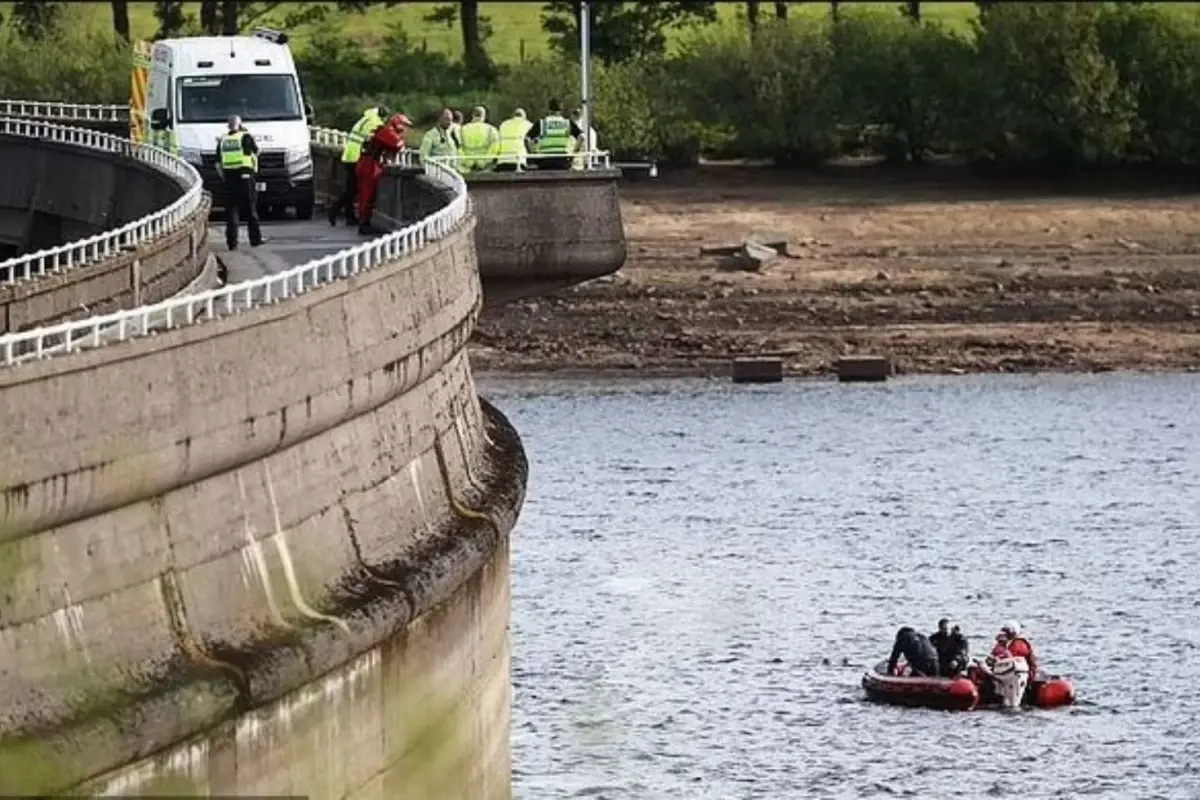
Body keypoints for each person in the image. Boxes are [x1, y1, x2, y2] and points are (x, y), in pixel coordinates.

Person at [330, 105, 388, 227]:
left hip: (348, 154)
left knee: (351, 188)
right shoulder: (376, 123)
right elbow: (377, 140)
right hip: (357, 156)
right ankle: (335, 208)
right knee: (353, 189)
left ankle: (349, 216)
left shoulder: (365, 118)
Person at [356, 113, 410, 235]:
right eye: (404, 125)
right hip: (369, 164)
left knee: (368, 195)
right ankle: (363, 224)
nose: (405, 129)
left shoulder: (384, 130)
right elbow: (396, 145)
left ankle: (365, 222)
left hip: (369, 163)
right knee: (367, 194)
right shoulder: (386, 131)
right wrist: (403, 141)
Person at [215, 114, 262, 251]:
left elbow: (218, 164)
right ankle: (255, 239)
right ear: (240, 125)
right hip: (245, 176)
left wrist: (224, 177)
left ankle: (232, 243)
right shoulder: (245, 137)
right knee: (250, 209)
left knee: (232, 210)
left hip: (229, 177)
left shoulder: (222, 140)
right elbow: (257, 151)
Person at [531, 98, 583, 171]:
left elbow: (527, 138)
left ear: (549, 110)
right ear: (561, 110)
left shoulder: (542, 123)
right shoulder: (567, 123)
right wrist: (573, 154)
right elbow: (581, 137)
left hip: (545, 160)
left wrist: (533, 155)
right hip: (562, 160)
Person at [458, 106, 500, 173]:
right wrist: (484, 161)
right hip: (485, 168)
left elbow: (458, 147)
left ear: (472, 115)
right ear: (484, 116)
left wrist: (467, 162)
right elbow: (495, 148)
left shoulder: (462, 129)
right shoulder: (491, 129)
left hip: (466, 168)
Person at [495, 108, 533, 173]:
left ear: (513, 116)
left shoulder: (503, 124)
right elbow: (531, 143)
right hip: (519, 162)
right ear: (524, 117)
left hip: (502, 162)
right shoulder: (528, 124)